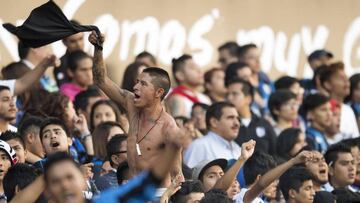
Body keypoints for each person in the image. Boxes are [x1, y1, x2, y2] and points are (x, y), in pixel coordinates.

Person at [89, 31, 185, 188]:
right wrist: (98, 49)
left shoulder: (168, 128)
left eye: (143, 84)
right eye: (137, 82)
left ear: (159, 92)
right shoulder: (131, 103)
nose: (135, 87)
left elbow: (177, 175)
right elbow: (100, 80)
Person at [235, 150, 314, 202]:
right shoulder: (243, 196)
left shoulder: (260, 200)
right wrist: (293, 161)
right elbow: (261, 184)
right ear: (259, 178)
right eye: (272, 180)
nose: (276, 184)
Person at [226, 78, 277, 154]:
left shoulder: (264, 124)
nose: (229, 98)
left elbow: (275, 153)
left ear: (248, 98)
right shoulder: (225, 125)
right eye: (227, 94)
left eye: (235, 94)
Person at [184, 102, 241, 168]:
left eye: (238, 119)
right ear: (214, 122)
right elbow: (189, 177)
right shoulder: (199, 146)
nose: (237, 123)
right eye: (230, 118)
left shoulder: (237, 148)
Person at [319, 62, 359, 138]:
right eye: (341, 78)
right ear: (327, 84)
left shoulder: (348, 110)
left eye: (346, 78)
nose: (346, 82)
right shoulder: (321, 109)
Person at [237, 44, 274, 115]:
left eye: (259, 57)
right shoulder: (239, 83)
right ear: (241, 59)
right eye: (252, 58)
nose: (258, 61)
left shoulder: (267, 81)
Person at [54, 20, 85, 87]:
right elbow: (64, 91)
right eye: (73, 41)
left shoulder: (92, 59)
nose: (78, 44)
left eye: (81, 39)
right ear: (64, 42)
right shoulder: (60, 65)